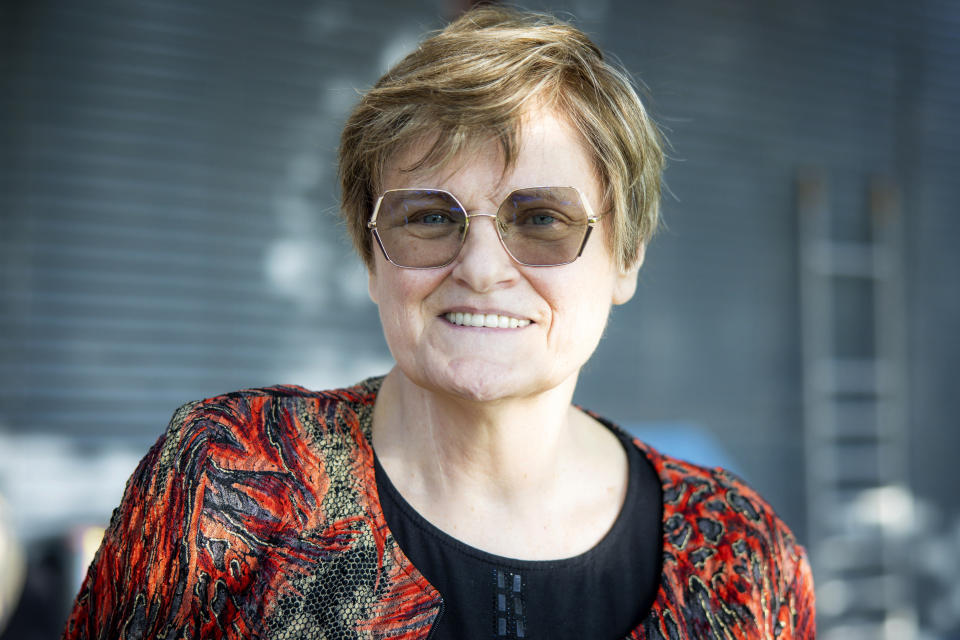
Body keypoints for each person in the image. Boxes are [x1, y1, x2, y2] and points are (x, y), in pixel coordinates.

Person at [62, 6, 814, 639]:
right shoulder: (231, 480)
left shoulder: (743, 555)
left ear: (626, 259)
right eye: (428, 217)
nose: (482, 267)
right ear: (370, 254)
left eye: (542, 218)